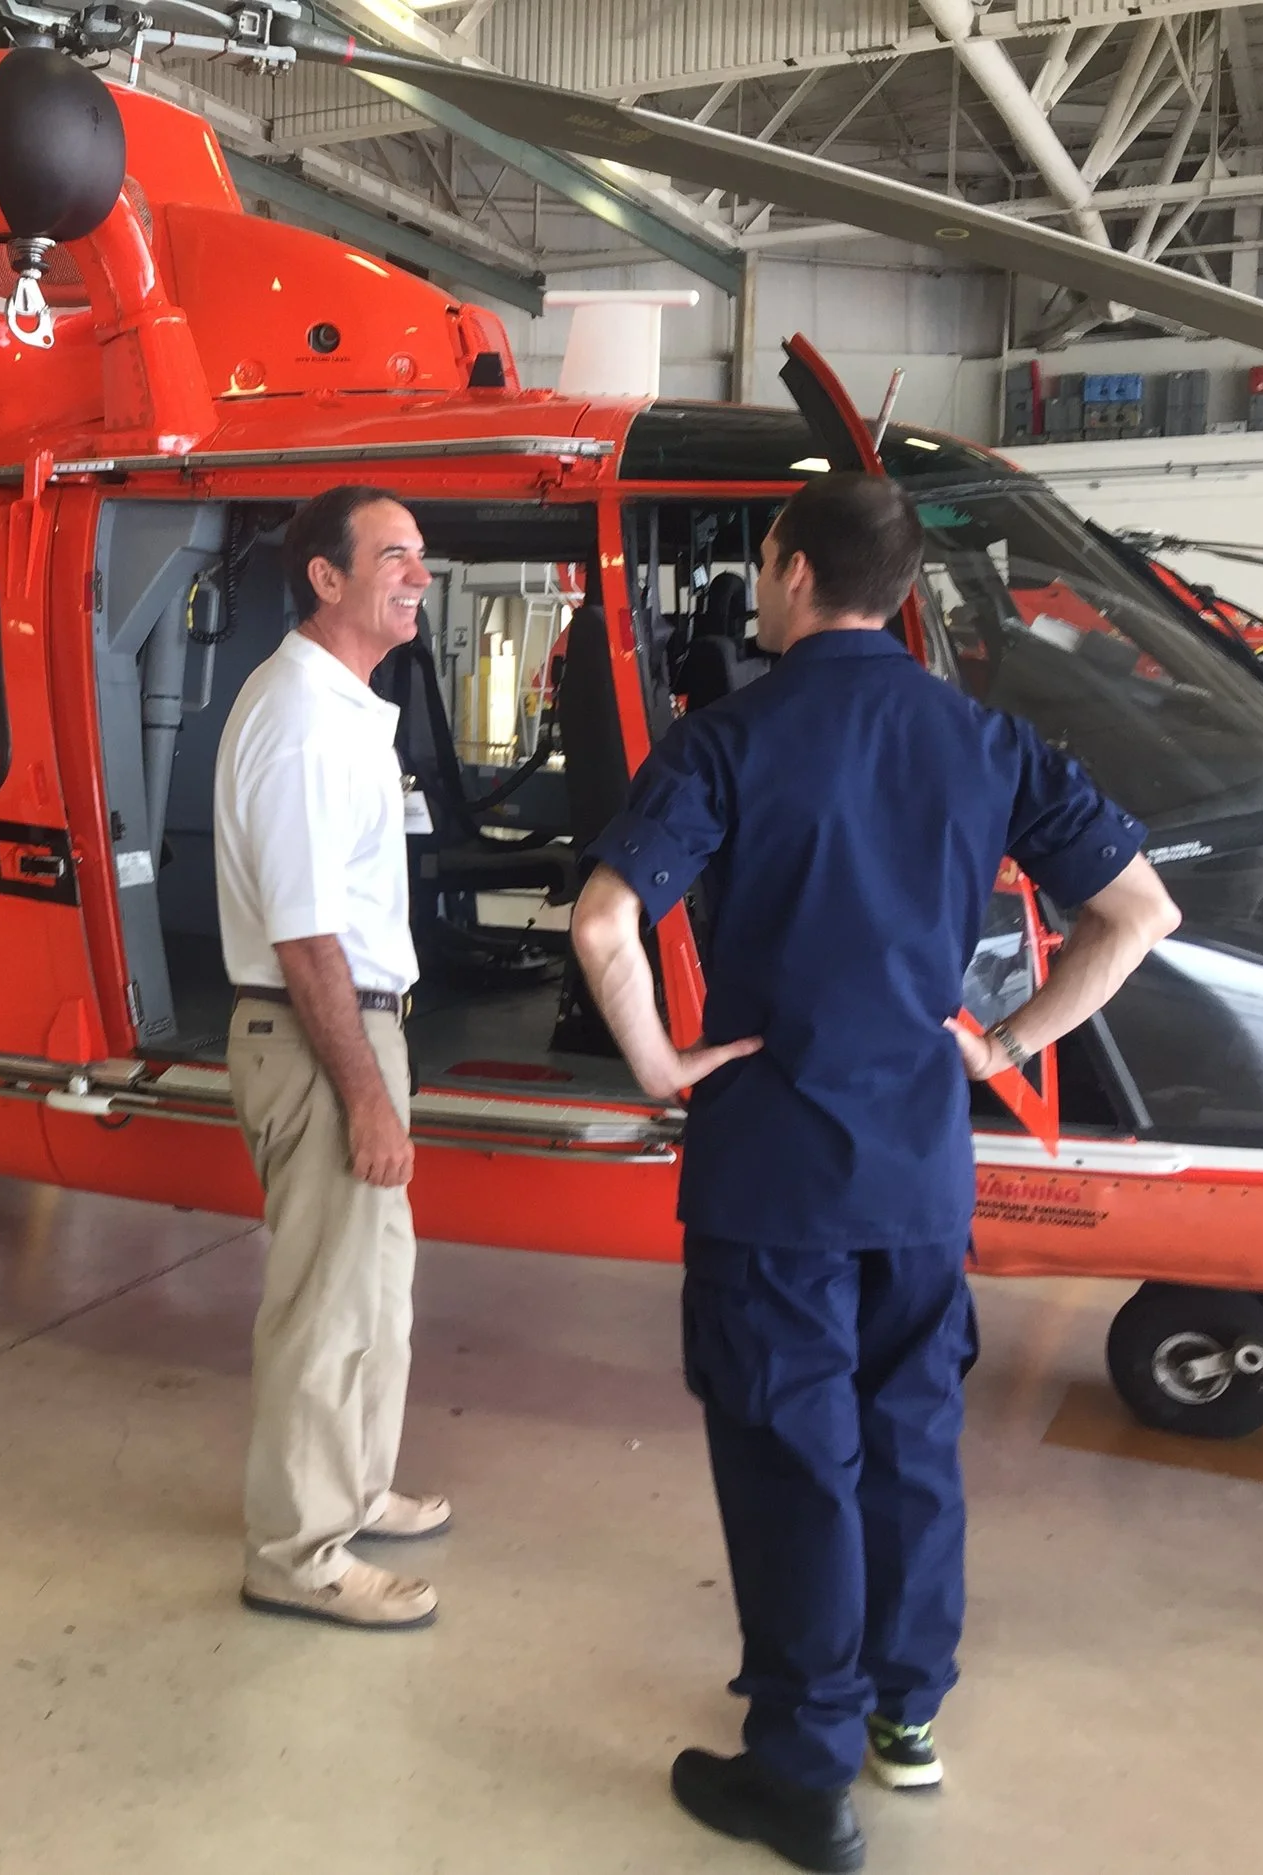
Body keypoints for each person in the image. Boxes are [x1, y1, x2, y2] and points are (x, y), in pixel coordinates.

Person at [570, 473, 1178, 1873]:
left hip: (771, 1164)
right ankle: (906, 1708)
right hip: (917, 1158)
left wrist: (663, 1065)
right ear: (901, 592)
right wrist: (1009, 1038)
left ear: (788, 571)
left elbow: (609, 921)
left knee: (794, 1454)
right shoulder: (986, 739)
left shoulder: (725, 739)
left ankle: (799, 1764)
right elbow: (1137, 910)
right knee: (906, 1436)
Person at [214, 485, 452, 1632]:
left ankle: (351, 1491)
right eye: (396, 557)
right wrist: (365, 1095)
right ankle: (297, 1552)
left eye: (421, 557)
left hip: (358, 1023)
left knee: (373, 1293)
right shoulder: (302, 716)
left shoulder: (347, 704)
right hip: (321, 1034)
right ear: (325, 576)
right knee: (323, 1304)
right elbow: (303, 933)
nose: (420, 575)